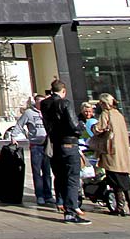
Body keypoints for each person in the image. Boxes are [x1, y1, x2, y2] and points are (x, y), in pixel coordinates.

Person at [41, 79, 90, 224]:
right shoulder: (65, 103)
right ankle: (71, 211)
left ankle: (62, 204)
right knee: (72, 178)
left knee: (61, 176)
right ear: (63, 91)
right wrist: (81, 126)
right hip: (68, 143)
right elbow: (74, 125)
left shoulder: (45, 104)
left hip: (55, 144)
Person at [94, 93, 130, 217]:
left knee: (115, 179)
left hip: (111, 151)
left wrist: (93, 128)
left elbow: (98, 129)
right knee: (124, 179)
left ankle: (120, 207)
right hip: (122, 151)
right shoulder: (119, 115)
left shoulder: (106, 114)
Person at [16, 94, 53, 206]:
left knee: (47, 172)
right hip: (36, 145)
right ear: (35, 102)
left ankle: (48, 195)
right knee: (37, 172)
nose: (42, 104)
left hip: (47, 145)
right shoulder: (29, 113)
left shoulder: (48, 112)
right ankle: (40, 195)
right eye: (40, 102)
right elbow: (19, 124)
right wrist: (14, 136)